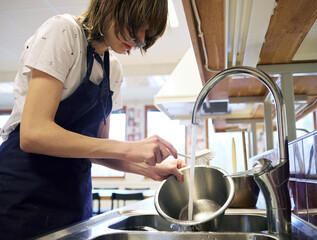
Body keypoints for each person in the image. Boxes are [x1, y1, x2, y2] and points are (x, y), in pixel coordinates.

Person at [0, 0, 187, 239]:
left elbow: (96, 150)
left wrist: (151, 169)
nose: (140, 38)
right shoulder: (63, 32)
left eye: (147, 33)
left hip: (74, 200)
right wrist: (129, 148)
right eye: (138, 24)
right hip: (22, 195)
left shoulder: (113, 69)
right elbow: (33, 133)